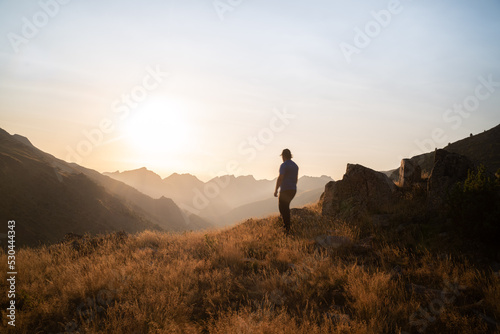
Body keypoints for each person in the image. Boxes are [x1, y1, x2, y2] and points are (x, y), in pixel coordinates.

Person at [274, 148, 299, 234]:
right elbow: (296, 179)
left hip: (285, 189)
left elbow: (280, 178)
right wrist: (293, 186)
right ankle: (286, 226)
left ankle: (286, 228)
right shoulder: (295, 166)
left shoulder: (284, 165)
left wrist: (276, 190)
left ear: (283, 156)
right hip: (293, 189)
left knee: (282, 207)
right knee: (285, 206)